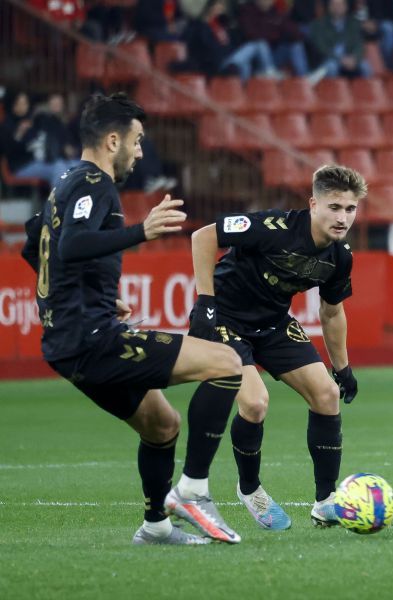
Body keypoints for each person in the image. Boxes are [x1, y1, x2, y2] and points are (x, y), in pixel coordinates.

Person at [19, 93, 245, 545]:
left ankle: (156, 527)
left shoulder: (64, 183)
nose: (140, 152)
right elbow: (69, 246)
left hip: (70, 342)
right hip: (92, 340)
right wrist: (142, 230)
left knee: (162, 424)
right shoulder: (93, 183)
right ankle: (192, 491)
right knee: (227, 363)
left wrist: (96, 293)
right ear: (112, 139)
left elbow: (33, 243)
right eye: (137, 141)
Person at [187, 164, 364, 530]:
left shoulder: (340, 255)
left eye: (350, 209)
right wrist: (205, 300)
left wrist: (342, 368)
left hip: (272, 324)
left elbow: (331, 313)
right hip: (225, 318)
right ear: (313, 204)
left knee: (327, 395)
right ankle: (250, 489)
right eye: (334, 207)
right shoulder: (273, 228)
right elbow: (203, 236)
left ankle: (326, 500)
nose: (343, 217)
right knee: (254, 402)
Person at [307, 0, 371, 79]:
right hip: (329, 59)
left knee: (365, 66)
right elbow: (322, 48)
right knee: (331, 67)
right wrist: (340, 59)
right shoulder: (318, 25)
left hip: (350, 58)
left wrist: (355, 58)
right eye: (334, 4)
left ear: (346, 7)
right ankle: (333, 91)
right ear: (329, 7)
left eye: (340, 4)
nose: (337, 7)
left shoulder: (354, 23)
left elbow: (359, 44)